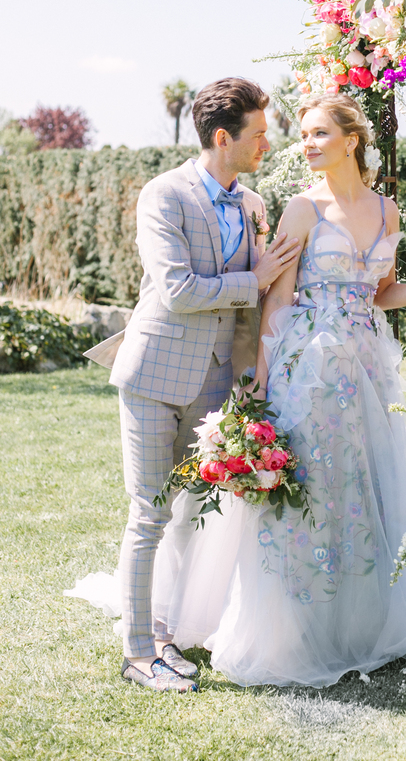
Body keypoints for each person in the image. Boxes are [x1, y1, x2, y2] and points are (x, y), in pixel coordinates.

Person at [148, 93, 406, 688]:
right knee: (308, 491)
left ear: (351, 140)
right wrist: (261, 378)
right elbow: (276, 300)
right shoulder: (302, 210)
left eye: (317, 134)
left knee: (366, 489)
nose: (304, 144)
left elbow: (380, 292)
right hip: (308, 368)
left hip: (368, 368)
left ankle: (359, 624)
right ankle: (289, 628)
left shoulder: (390, 212)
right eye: (302, 134)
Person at [83, 78, 300, 692]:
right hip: (153, 376)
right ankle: (137, 654)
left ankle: (164, 631)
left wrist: (257, 365)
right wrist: (252, 280)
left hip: (213, 384)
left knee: (186, 514)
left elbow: (253, 308)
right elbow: (177, 291)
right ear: (223, 137)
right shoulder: (164, 196)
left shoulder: (255, 204)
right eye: (258, 134)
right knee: (149, 513)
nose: (267, 142)